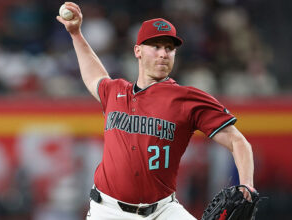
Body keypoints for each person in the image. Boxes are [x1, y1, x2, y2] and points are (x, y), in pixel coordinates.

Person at [57, 2, 255, 220]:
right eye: (156, 46)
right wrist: (76, 34)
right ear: (138, 51)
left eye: (169, 48)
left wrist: (247, 184)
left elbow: (238, 141)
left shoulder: (187, 98)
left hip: (163, 210)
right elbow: (94, 75)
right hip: (108, 210)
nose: (163, 54)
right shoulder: (115, 91)